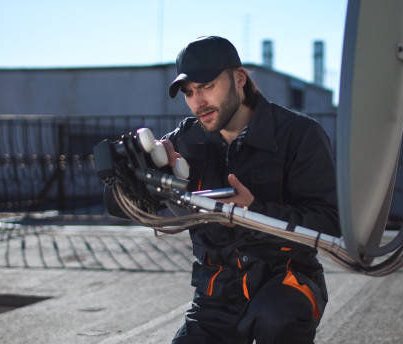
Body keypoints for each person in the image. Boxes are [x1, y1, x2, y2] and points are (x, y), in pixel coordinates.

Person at [134, 36, 339, 343]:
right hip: (216, 295)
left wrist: (253, 213)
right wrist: (135, 178)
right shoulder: (185, 141)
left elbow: (331, 222)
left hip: (288, 280)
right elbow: (131, 205)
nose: (197, 101)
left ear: (240, 78)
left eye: (207, 86)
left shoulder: (299, 135)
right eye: (189, 92)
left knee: (275, 320)